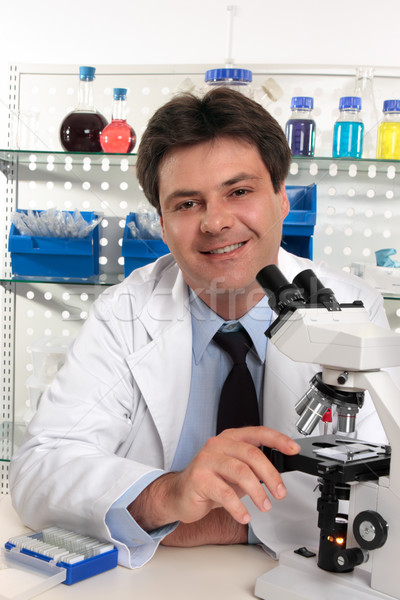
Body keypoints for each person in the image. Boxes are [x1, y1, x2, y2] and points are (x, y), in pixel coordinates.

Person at [9, 88, 391, 569]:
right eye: (187, 203)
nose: (215, 222)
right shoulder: (124, 313)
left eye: (239, 191)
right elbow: (40, 469)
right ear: (163, 225)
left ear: (281, 199)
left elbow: (378, 479)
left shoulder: (351, 310)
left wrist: (223, 524)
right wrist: (168, 496)